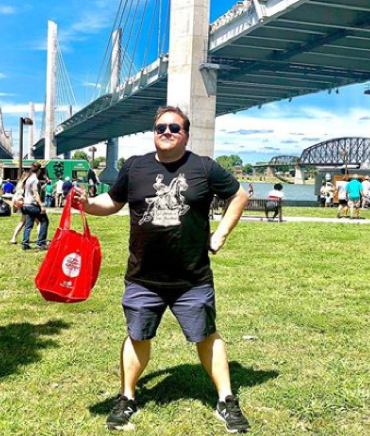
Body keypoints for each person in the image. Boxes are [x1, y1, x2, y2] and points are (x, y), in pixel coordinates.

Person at [73, 106, 251, 433]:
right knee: (137, 336)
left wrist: (220, 234)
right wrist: (86, 204)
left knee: (206, 337)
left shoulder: (204, 167)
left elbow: (239, 195)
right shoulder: (135, 167)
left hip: (192, 277)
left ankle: (226, 400)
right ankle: (127, 397)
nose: (166, 132)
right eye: (160, 128)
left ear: (186, 133)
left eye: (173, 128)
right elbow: (112, 202)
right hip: (143, 277)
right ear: (153, 133)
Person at [21, 163, 49, 250]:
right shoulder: (35, 180)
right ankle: (41, 243)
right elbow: (36, 194)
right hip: (33, 205)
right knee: (44, 221)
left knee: (28, 226)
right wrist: (42, 206)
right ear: (39, 171)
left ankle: (25, 244)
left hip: (26, 205)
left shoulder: (28, 179)